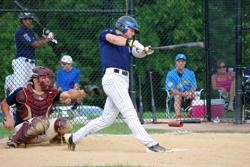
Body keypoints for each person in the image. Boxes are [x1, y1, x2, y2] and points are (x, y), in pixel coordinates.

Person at [64, 15, 168, 153]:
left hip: (123, 80)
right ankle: (150, 144)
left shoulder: (127, 44)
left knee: (106, 119)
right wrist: (133, 43)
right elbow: (115, 40)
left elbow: (137, 53)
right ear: (123, 27)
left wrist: (145, 51)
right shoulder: (107, 34)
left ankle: (73, 138)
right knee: (129, 111)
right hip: (112, 78)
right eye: (132, 30)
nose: (133, 33)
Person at [0, 66, 86, 148]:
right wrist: (8, 117)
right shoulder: (22, 92)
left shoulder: (51, 92)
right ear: (35, 80)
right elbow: (4, 103)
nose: (47, 80)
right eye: (44, 77)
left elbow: (68, 94)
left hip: (44, 129)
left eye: (48, 77)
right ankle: (15, 139)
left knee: (65, 125)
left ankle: (55, 138)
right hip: (23, 130)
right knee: (41, 122)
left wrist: (83, 91)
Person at [11, 12, 55, 92]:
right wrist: (48, 39)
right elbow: (35, 45)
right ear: (21, 21)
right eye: (25, 19)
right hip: (22, 62)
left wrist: (44, 36)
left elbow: (37, 42)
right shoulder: (21, 31)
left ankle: (25, 103)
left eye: (29, 19)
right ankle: (10, 103)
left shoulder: (30, 31)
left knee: (30, 87)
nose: (28, 21)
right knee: (19, 87)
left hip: (31, 63)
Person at [165, 53, 197, 119]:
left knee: (194, 96)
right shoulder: (170, 74)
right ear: (176, 63)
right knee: (177, 96)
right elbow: (171, 90)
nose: (181, 63)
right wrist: (182, 94)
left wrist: (190, 93)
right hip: (176, 96)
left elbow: (194, 87)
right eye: (179, 61)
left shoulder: (190, 73)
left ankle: (189, 116)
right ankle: (179, 117)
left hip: (188, 94)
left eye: (183, 61)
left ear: (185, 63)